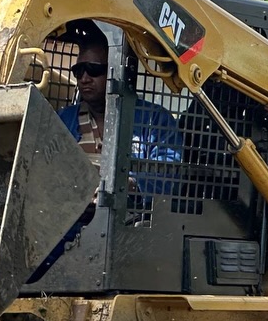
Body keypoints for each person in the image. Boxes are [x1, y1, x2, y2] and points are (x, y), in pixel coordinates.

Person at [55, 23, 183, 194]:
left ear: (115, 71)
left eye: (93, 69)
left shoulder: (155, 120)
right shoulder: (64, 119)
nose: (84, 78)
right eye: (78, 71)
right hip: (72, 216)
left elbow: (167, 172)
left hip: (130, 218)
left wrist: (129, 186)